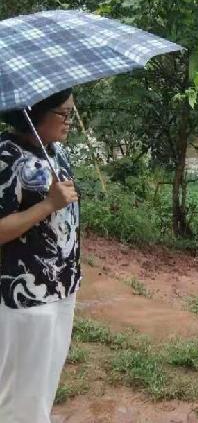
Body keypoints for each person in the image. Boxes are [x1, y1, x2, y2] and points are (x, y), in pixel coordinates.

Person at [0, 88, 81, 423]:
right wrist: (48, 204)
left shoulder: (56, 151)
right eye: (63, 113)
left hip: (62, 285)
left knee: (44, 384)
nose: (69, 121)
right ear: (33, 113)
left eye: (72, 113)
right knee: (21, 393)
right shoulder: (6, 157)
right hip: (26, 293)